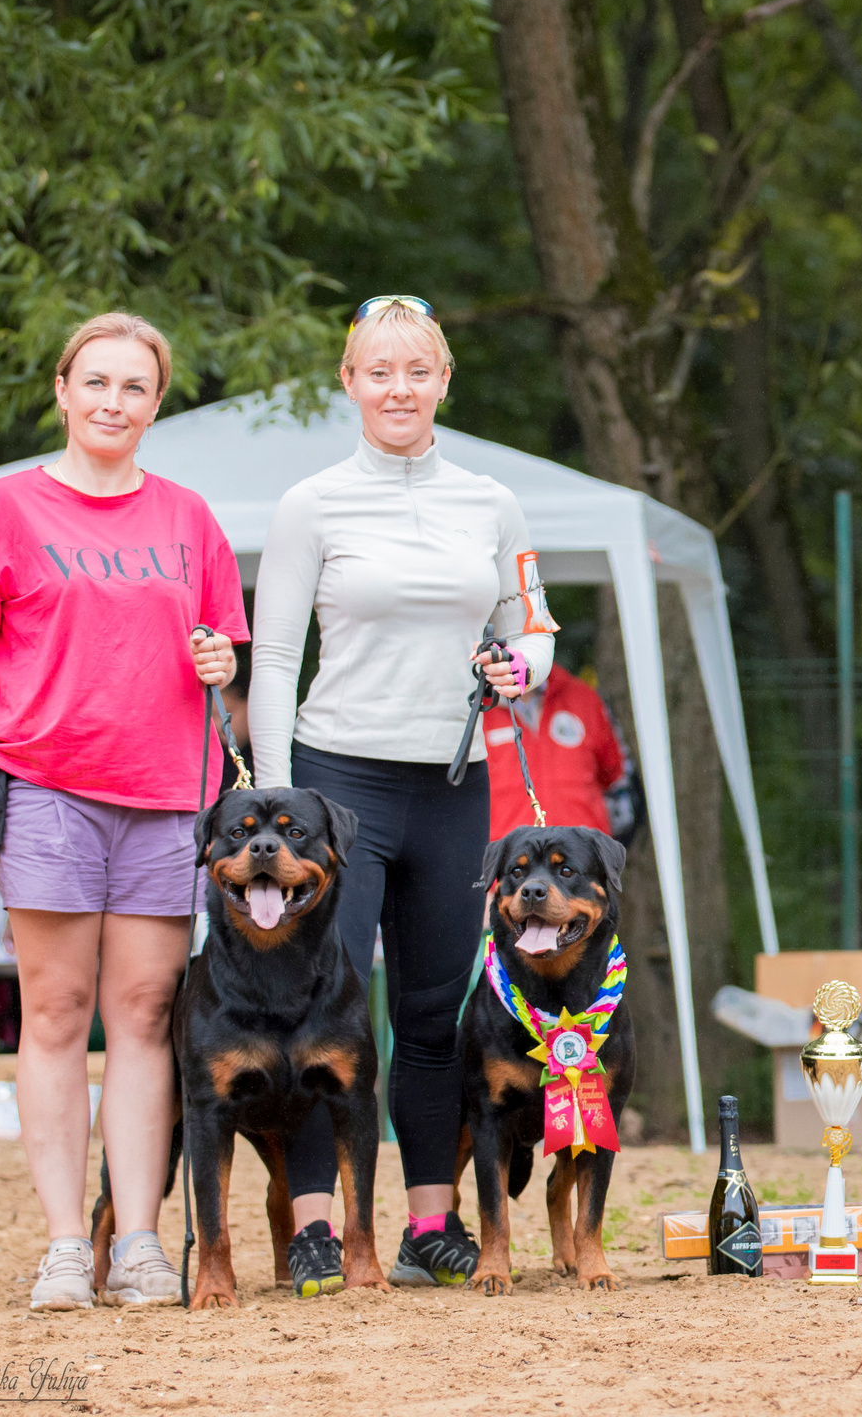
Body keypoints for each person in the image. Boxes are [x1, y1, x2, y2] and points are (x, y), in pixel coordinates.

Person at [0, 312, 246, 1310]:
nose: (112, 402)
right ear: (62, 388)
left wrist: (225, 660)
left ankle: (134, 1242)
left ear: (155, 403)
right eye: (96, 382)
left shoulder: (190, 517)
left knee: (141, 1014)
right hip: (45, 785)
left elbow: (223, 649)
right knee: (53, 1012)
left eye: (134, 387)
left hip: (170, 795)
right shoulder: (10, 507)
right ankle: (60, 1244)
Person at [250, 295, 555, 1294]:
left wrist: (524, 667)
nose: (398, 388)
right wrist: (279, 795)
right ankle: (314, 1230)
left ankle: (432, 1220)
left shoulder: (492, 500)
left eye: (417, 370)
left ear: (444, 381)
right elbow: (276, 657)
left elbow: (534, 627)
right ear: (349, 382)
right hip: (338, 783)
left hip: (455, 781)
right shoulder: (310, 503)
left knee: (431, 1011)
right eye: (378, 371)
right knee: (315, 1014)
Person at [480, 664, 628, 837]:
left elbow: (613, 774)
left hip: (583, 858)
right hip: (511, 860)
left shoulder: (583, 697)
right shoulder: (472, 711)